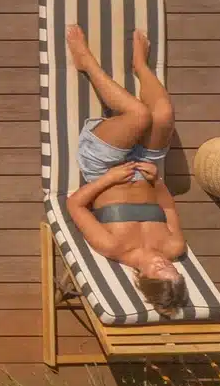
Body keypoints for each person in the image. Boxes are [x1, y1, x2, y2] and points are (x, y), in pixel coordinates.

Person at [60, 26, 189, 315]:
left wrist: (109, 179)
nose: (164, 264)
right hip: (145, 166)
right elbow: (168, 206)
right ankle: (140, 66)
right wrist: (157, 181)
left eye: (159, 271)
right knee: (163, 114)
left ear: (143, 278)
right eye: (172, 270)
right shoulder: (174, 246)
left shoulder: (112, 246)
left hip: (103, 167)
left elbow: (75, 204)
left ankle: (86, 62)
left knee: (139, 115)